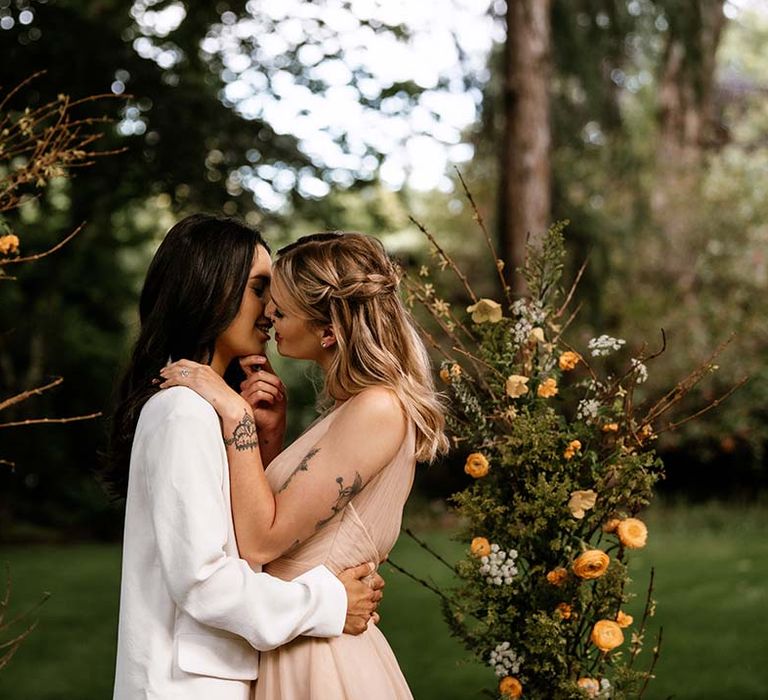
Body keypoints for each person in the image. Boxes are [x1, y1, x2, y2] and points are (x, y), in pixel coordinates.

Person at [161, 231, 449, 699]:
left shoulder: (377, 408)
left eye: (281, 309)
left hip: (323, 658)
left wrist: (234, 414)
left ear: (329, 330)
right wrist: (269, 437)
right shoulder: (351, 408)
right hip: (296, 637)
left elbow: (259, 542)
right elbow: (273, 525)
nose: (268, 316)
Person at [108, 215, 384, 700]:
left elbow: (243, 537)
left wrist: (264, 440)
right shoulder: (182, 411)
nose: (272, 309)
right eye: (260, 288)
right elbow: (204, 581)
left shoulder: (213, 411)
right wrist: (329, 602)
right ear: (213, 290)